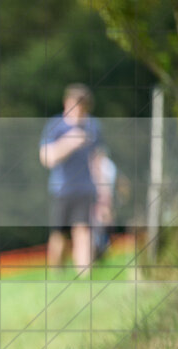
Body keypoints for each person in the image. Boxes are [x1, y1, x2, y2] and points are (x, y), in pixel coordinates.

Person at [39, 84, 111, 274]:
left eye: (83, 106)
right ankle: (57, 273)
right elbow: (46, 157)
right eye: (76, 105)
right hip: (62, 189)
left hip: (86, 189)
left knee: (83, 231)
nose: (79, 111)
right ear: (66, 103)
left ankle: (85, 275)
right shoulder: (55, 125)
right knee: (59, 235)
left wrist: (104, 192)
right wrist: (68, 143)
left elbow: (98, 159)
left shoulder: (93, 126)